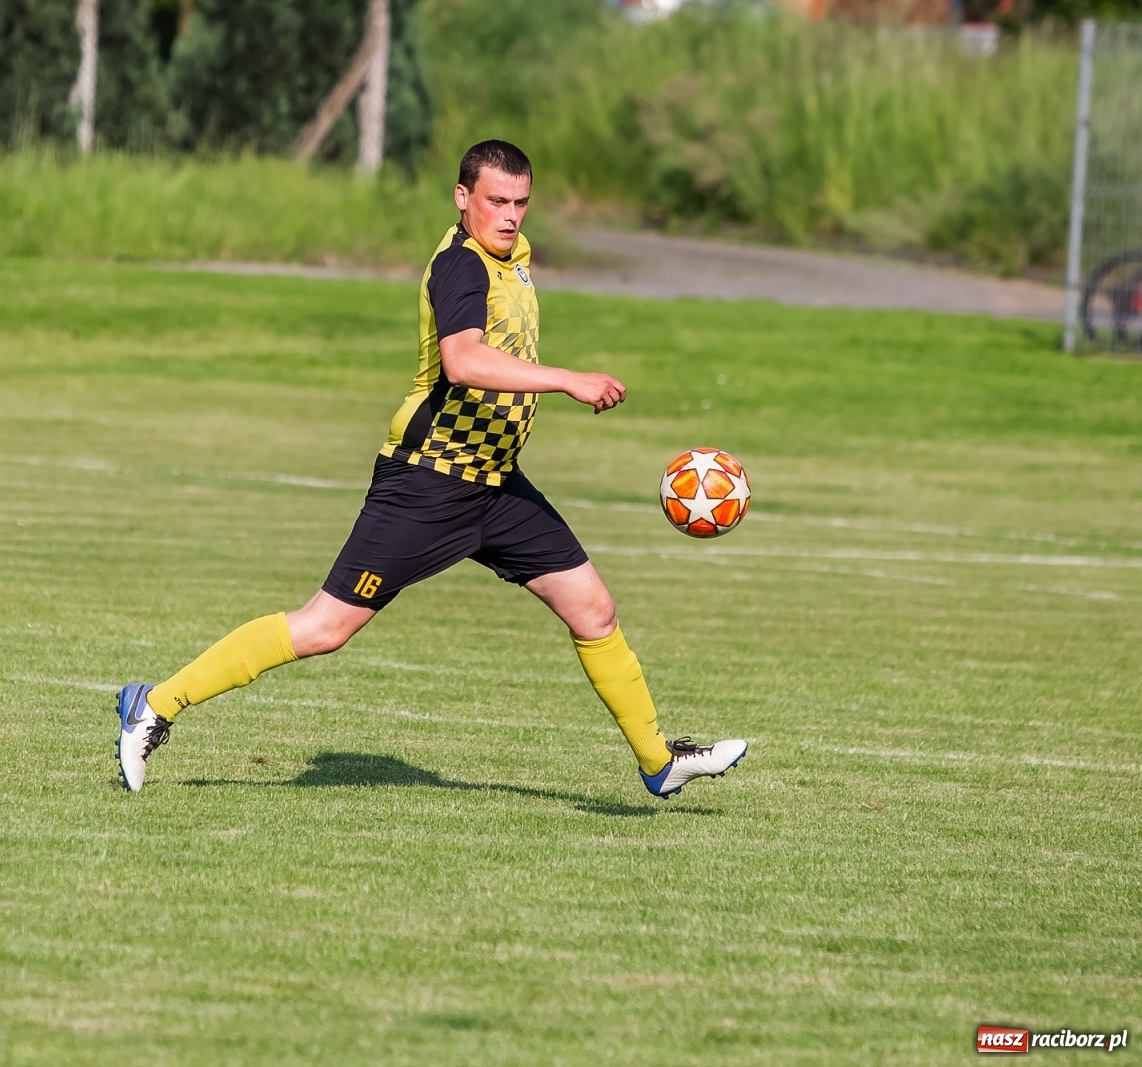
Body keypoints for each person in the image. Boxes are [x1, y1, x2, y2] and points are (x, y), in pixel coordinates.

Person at [115, 140, 746, 798]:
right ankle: (153, 705)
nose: (509, 216)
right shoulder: (461, 267)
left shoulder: (515, 260)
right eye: (495, 201)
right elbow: (463, 362)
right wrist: (568, 380)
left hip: (496, 485)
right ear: (462, 197)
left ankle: (659, 761)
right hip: (429, 484)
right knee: (325, 626)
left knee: (593, 607)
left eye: (520, 203)